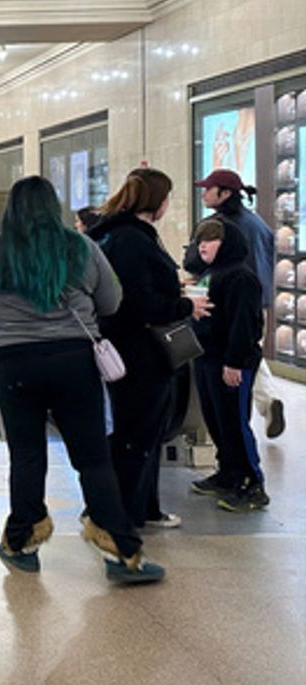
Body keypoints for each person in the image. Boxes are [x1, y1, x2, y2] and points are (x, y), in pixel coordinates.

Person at [0, 176, 163, 583]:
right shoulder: (81, 247)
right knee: (91, 457)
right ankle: (120, 548)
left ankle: (22, 541)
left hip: (14, 364)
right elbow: (112, 301)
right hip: (74, 361)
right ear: (54, 207)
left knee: (28, 455)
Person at [86, 168, 212, 530]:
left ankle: (140, 506)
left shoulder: (111, 234)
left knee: (134, 430)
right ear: (157, 200)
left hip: (121, 345)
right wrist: (185, 306)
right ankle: (124, 512)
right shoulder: (133, 240)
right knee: (139, 431)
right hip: (140, 350)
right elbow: (139, 302)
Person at [186, 168, 286, 439]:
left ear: (225, 193)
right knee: (248, 355)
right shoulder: (258, 224)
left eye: (209, 188)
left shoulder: (219, 227)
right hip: (260, 303)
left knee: (233, 370)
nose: (204, 193)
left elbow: (194, 262)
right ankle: (267, 403)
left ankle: (237, 452)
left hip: (226, 307)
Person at [186, 218, 271, 512]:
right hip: (207, 357)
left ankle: (252, 483)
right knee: (217, 421)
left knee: (235, 423)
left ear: (227, 244)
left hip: (229, 361)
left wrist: (234, 361)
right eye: (200, 241)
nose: (203, 245)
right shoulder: (212, 273)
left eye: (211, 240)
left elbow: (244, 324)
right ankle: (228, 473)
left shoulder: (239, 277)